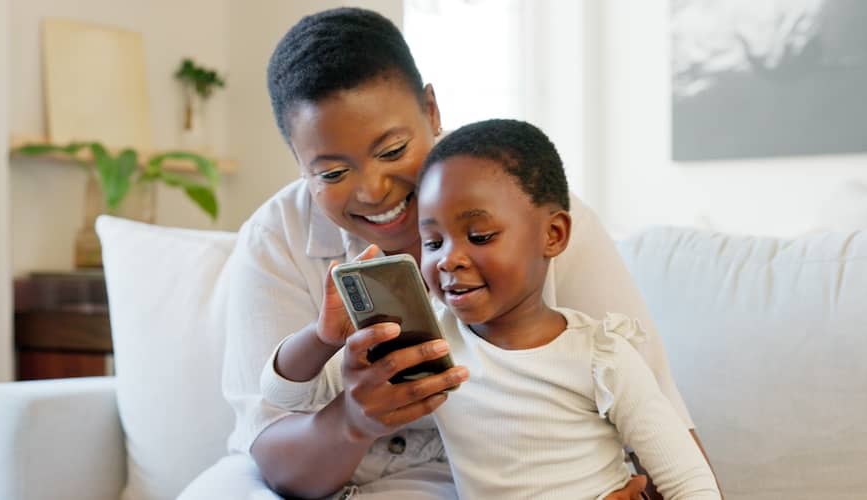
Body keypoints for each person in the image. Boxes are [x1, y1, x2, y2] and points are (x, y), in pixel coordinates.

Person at [178, 7, 709, 500]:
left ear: (432, 110)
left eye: (391, 151)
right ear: (298, 161)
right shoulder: (275, 240)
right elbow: (276, 431)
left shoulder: (531, 211)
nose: (372, 190)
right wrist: (352, 416)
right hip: (313, 478)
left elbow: (662, 427)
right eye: (332, 173)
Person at [259, 119, 719, 499]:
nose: (449, 259)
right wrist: (322, 338)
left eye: (479, 237)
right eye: (433, 241)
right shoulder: (431, 350)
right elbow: (288, 395)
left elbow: (686, 480)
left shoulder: (602, 356)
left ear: (553, 236)